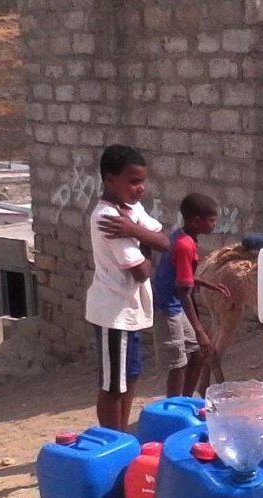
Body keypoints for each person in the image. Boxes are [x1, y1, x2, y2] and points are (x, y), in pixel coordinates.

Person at [85, 144, 169, 431]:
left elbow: (164, 241)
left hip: (130, 311)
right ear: (110, 179)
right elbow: (142, 271)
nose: (140, 188)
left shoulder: (131, 212)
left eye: (142, 181)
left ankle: (121, 437)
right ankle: (113, 438)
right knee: (113, 385)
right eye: (133, 181)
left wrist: (135, 231)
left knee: (130, 376)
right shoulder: (108, 218)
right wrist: (145, 239)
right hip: (114, 312)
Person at [153, 192, 231, 397]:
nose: (215, 225)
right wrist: (200, 331)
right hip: (168, 308)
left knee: (197, 354)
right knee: (178, 363)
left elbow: (179, 276)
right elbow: (183, 291)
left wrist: (207, 284)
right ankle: (175, 407)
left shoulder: (182, 236)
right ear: (197, 221)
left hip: (175, 303)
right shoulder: (185, 245)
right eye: (212, 220)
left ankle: (186, 400)